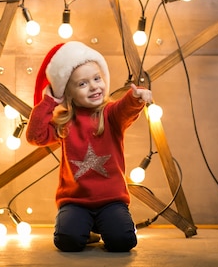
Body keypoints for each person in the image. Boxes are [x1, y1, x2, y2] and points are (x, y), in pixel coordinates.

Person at [26, 41, 153, 252]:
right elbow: (35, 137)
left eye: (97, 78)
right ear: (68, 93)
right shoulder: (65, 122)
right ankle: (84, 229)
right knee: (67, 242)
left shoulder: (110, 115)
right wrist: (49, 102)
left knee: (123, 242)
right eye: (82, 84)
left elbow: (126, 108)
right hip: (75, 201)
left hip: (111, 201)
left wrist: (136, 98)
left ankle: (106, 225)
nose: (94, 86)